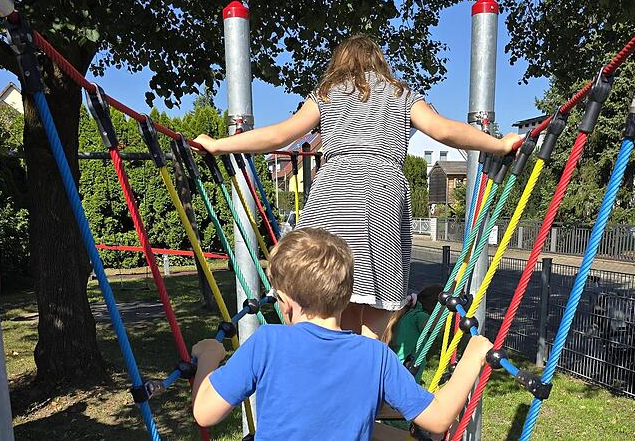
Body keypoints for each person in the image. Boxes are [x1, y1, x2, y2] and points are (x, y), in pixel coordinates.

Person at [194, 34, 520, 340]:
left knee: (326, 292)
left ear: (339, 63)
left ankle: (325, 369)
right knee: (377, 302)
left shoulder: (326, 95)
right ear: (380, 62)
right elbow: (443, 130)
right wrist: (499, 144)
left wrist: (220, 144)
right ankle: (368, 370)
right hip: (383, 192)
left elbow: (281, 134)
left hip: (332, 193)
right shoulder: (400, 93)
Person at [191, 228, 494, 439]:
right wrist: (473, 354)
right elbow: (439, 419)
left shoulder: (268, 342)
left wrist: (208, 357)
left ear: (284, 303)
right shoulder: (375, 356)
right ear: (349, 296)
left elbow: (204, 413)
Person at [382, 284, 442, 383]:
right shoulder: (418, 316)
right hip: (404, 373)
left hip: (396, 370)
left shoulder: (407, 313)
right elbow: (436, 326)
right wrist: (446, 306)